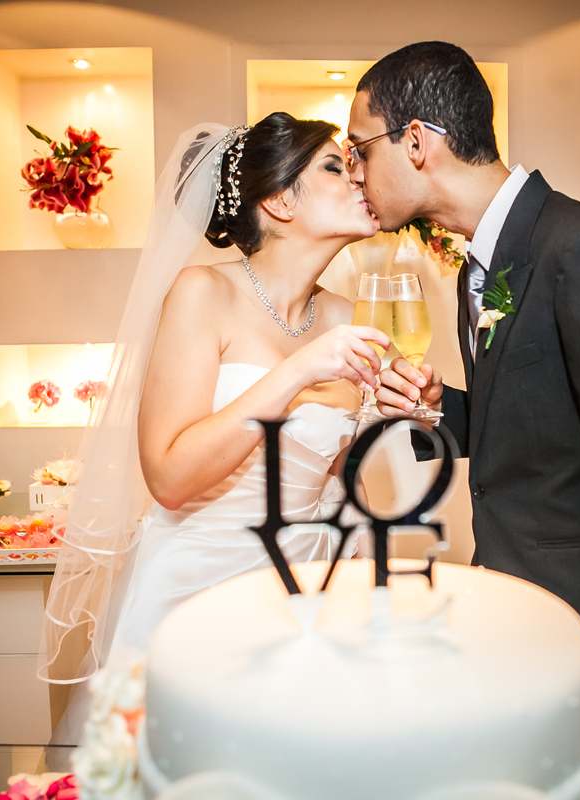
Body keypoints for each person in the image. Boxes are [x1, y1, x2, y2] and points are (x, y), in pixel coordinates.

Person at [353, 41, 580, 732]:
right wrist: (435, 410)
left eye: (361, 149)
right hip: (519, 617)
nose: (357, 172)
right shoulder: (479, 267)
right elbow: (530, 426)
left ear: (416, 142)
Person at [40, 113, 389, 741]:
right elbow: (170, 478)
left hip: (311, 593)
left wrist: (392, 416)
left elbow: (338, 476)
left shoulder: (345, 312)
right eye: (335, 166)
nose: (358, 175)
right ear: (281, 200)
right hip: (198, 587)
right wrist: (295, 373)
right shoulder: (202, 293)